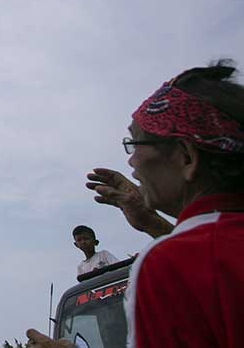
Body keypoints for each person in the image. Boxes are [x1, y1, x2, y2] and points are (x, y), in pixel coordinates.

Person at [27, 60, 244, 347]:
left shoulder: (164, 265)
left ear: (186, 157)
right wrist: (151, 221)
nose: (131, 160)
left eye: (136, 144)